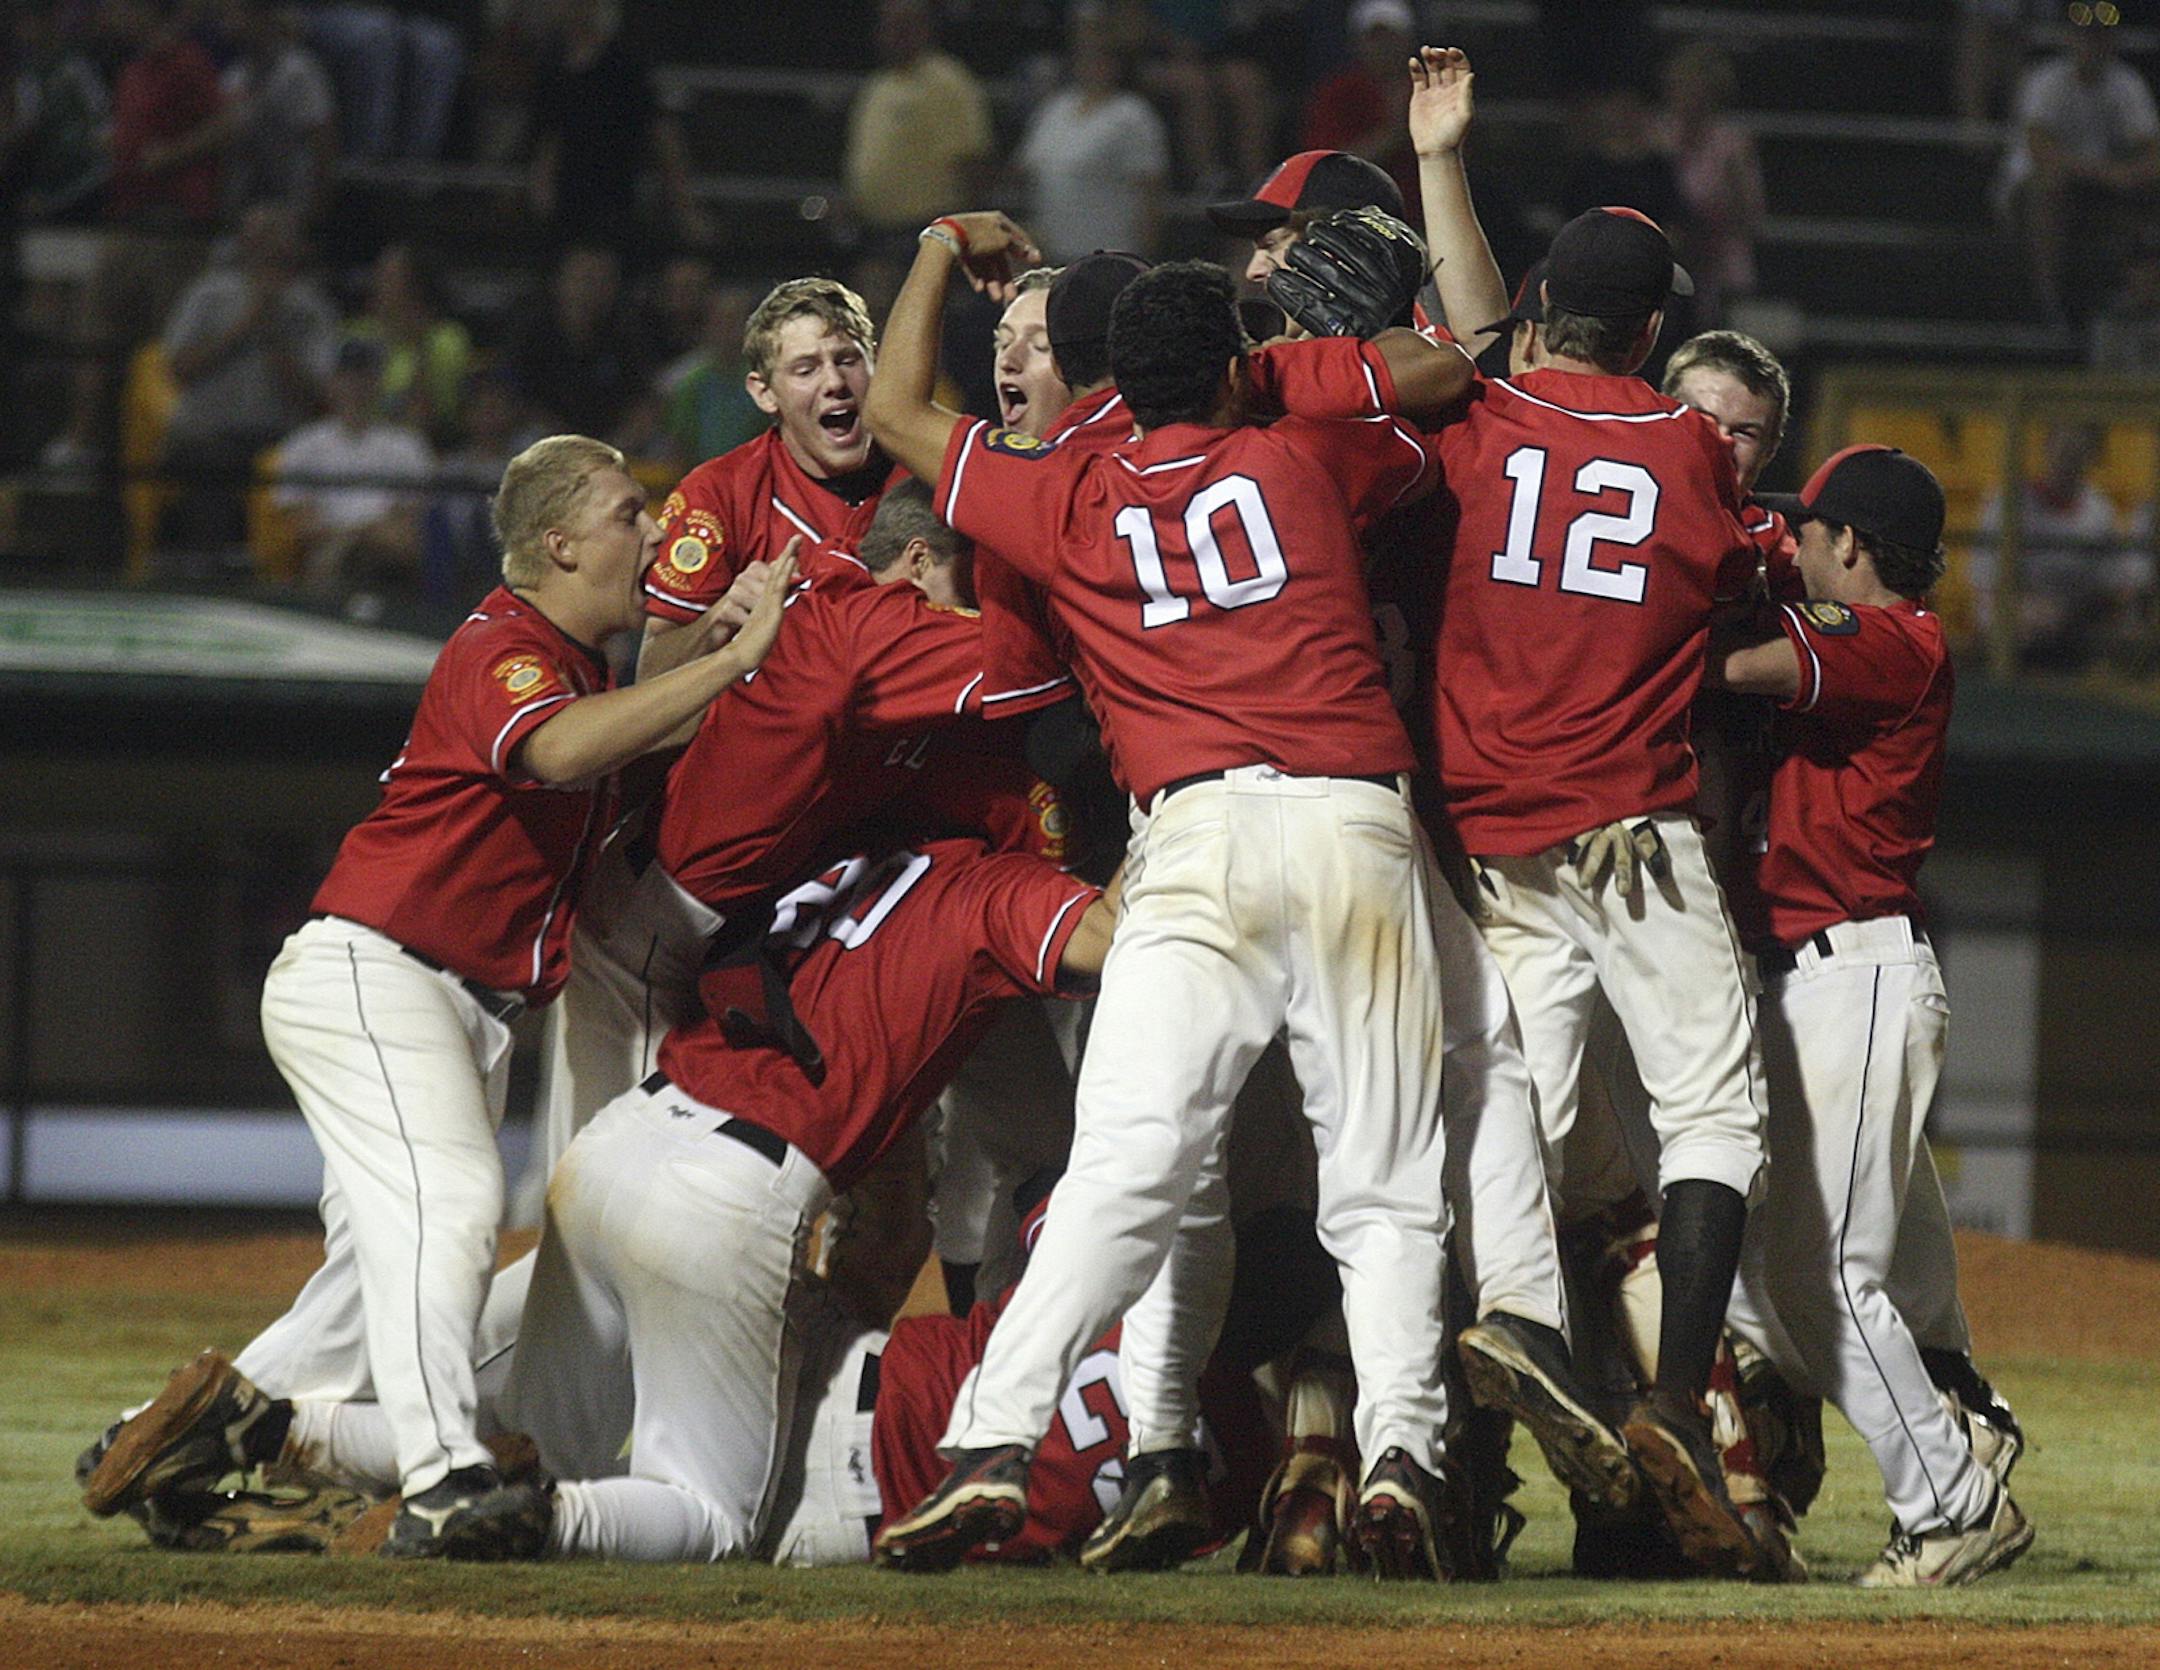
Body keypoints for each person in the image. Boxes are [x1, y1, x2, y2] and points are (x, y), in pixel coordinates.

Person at [865, 216, 1479, 1579]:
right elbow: (1442, 367)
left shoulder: (1060, 493)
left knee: (1122, 1169)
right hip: (1347, 824)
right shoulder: (1306, 445)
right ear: (1229, 366)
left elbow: (901, 406)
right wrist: (1287, 367)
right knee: (1380, 1187)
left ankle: (988, 1441)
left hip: (1190, 841)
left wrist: (929, 252)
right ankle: (1402, 1459)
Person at [78, 436, 798, 1558]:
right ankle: (444, 1475)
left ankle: (166, 1439)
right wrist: (728, 659)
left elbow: (627, 721)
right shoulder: (502, 645)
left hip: (449, 1004)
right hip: (378, 972)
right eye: (626, 513)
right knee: (454, 1208)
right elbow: (559, 753)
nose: (653, 531)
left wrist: (723, 636)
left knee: (376, 1277)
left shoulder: (574, 661)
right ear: (557, 543)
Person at [437, 830, 1116, 1563]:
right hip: (739, 1205)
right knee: (710, 1519)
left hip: (622, 1138)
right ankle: (557, 1519)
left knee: (534, 1441)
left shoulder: (837, 851)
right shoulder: (994, 891)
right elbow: (1106, 939)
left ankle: (324, 1431)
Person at [1425, 206, 1770, 1576]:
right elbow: (1736, 578)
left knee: (1508, 1127)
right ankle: (1677, 1401)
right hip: (1634, 829)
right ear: (1650, 334)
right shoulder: (1687, 444)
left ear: (1544, 301)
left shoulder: (1474, 420)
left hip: (1495, 842)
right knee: (1711, 1113)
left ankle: (1457, 1456)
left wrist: (1446, 169)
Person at [1712, 446, 2035, 1588]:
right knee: (1784, 1277)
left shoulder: (1893, 640)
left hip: (1854, 969)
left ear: (1855, 544)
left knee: (1825, 1277)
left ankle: (1950, 1498)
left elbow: (1740, 662)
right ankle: (1963, 1426)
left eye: (1810, 530)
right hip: (1819, 978)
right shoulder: (1863, 636)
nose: (1796, 544)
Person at [637, 277, 900, 676]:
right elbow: (651, 678)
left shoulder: (927, 474)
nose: (834, 383)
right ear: (764, 393)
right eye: (805, 369)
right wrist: (720, 620)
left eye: (847, 360)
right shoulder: (717, 495)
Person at [1995, 4, 2160, 324]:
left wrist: (2129, 174)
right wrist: (2109, 173)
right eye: (2086, 36)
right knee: (2051, 187)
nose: (2093, 45)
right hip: (2030, 188)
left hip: (2097, 190)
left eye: (2101, 36)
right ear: (2070, 39)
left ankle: (2140, 298)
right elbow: (2040, 150)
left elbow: (2153, 153)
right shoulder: (2045, 81)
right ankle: (2048, 301)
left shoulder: (2126, 83)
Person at [1973, 421, 2151, 669]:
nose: (2069, 461)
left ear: (2092, 456)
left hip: (2078, 634)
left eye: (2079, 451)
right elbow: (1987, 587)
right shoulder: (2008, 504)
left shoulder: (2100, 510)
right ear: (2047, 447)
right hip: (2017, 633)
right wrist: (2035, 613)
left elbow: (2116, 585)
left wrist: (2079, 614)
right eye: (2064, 450)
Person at [272, 336, 433, 598]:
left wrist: (350, 540)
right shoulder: (303, 444)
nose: (355, 386)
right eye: (346, 376)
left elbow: (409, 526)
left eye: (364, 377)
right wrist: (357, 538)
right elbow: (300, 525)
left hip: (385, 557)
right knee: (323, 559)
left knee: (393, 548)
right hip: (324, 558)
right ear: (331, 382)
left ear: (378, 383)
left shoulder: (407, 445)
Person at [1014, 9, 1171, 261]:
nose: (1092, 65)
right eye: (1085, 56)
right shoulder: (1056, 107)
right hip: (1053, 249)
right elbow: (1026, 169)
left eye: (1102, 57)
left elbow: (1150, 187)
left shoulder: (1133, 114)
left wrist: (1146, 254)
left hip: (1110, 251)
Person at [842, 0, 994, 249]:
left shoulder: (948, 82)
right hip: (874, 227)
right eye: (888, 26)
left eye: (904, 25)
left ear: (925, 29)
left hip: (927, 229)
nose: (894, 34)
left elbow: (971, 160)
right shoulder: (878, 85)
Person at [1655, 44, 1764, 326]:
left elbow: (1749, 216)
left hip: (1719, 261)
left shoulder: (1732, 144)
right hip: (1668, 254)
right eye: (1677, 87)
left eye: (1692, 88)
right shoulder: (1657, 135)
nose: (1682, 96)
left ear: (1711, 93)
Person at [1299, 0, 1420, 232]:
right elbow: (1326, 169)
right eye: (1374, 37)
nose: (1383, 46)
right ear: (1357, 42)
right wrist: (1393, 135)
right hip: (1351, 222)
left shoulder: (1428, 90)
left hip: (1421, 220)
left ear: (1408, 40)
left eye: (1392, 37)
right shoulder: (1337, 93)